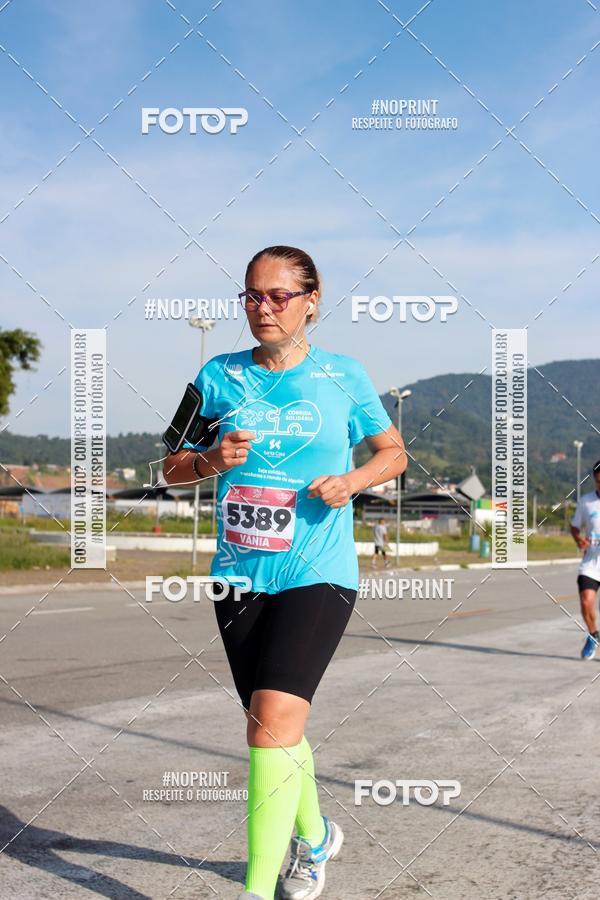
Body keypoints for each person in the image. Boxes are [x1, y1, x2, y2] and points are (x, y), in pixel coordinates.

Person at [163, 245, 407, 900]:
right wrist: (212, 459)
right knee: (273, 728)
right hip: (238, 573)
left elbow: (393, 453)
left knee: (269, 723)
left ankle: (254, 890)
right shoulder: (215, 375)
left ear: (311, 301)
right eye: (250, 295)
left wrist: (353, 480)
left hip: (318, 571)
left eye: (276, 296)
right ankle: (318, 834)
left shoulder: (343, 376)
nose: (261, 308)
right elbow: (171, 465)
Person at [570, 459, 600, 660]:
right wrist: (579, 540)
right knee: (586, 601)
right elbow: (574, 526)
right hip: (591, 562)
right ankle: (593, 635)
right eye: (598, 479)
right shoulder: (586, 502)